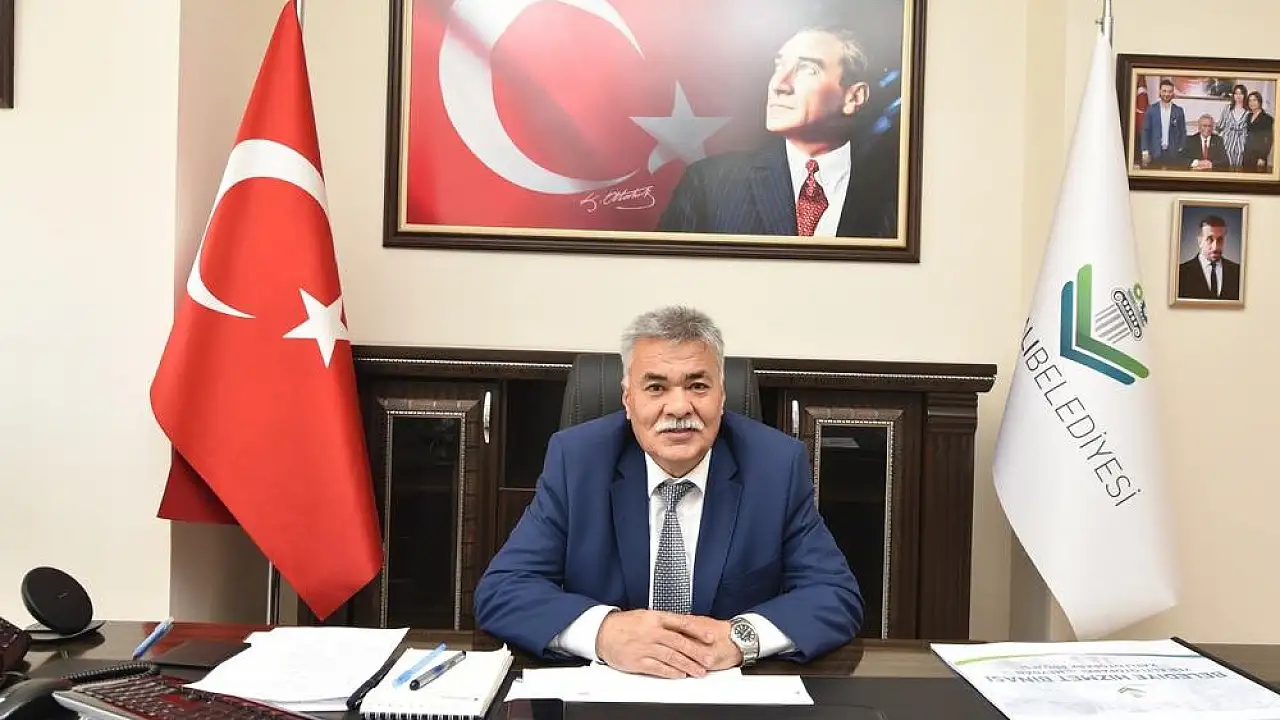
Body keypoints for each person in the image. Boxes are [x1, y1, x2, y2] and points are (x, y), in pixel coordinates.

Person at [473, 306, 862, 678]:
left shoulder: (775, 465)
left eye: (698, 386)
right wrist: (604, 633)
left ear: (722, 396)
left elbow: (834, 595)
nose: (679, 407)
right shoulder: (577, 461)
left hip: (726, 695)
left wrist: (740, 638)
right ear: (628, 399)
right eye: (656, 387)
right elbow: (503, 590)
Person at [656, 26, 897, 239]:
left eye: (808, 69)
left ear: (854, 97)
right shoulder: (709, 183)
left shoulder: (898, 193)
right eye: (779, 66)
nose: (779, 85)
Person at [1177, 214, 1241, 300]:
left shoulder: (1238, 272)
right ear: (1200, 241)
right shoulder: (1181, 273)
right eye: (1209, 239)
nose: (1215, 247)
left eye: (1220, 239)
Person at [1139, 79, 1187, 169]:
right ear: (1160, 92)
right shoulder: (1151, 109)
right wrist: (1145, 150)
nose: (1166, 94)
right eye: (1164, 91)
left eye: (1169, 91)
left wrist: (1181, 148)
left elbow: (1183, 131)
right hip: (1154, 153)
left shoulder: (1178, 111)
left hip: (1173, 154)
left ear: (1173, 93)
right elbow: (1145, 131)